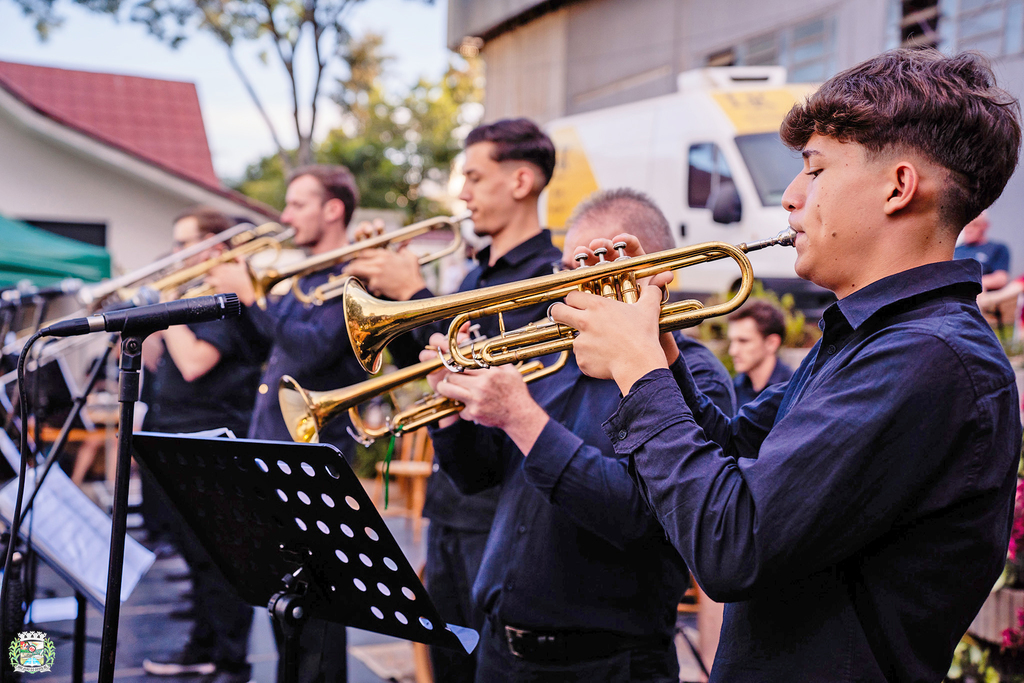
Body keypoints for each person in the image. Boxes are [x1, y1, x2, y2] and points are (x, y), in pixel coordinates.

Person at [551, 49, 1022, 681]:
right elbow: (735, 453)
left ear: (898, 186)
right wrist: (660, 350)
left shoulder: (927, 355)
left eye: (815, 169)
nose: (791, 197)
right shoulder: (866, 335)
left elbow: (732, 545)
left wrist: (637, 369)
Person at [419, 188, 732, 682]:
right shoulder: (553, 360)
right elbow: (479, 477)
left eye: (586, 273)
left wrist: (521, 416)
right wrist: (452, 411)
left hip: (607, 664)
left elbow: (638, 515)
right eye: (566, 271)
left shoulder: (692, 373)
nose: (566, 289)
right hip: (501, 653)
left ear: (643, 271)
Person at [346, 118, 563, 682]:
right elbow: (426, 368)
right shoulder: (471, 273)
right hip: (449, 505)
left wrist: (416, 295)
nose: (462, 193)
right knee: (448, 666)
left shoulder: (549, 275)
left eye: (473, 176)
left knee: (487, 668)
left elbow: (486, 360)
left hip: (497, 511)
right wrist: (381, 301)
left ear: (520, 181)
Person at [207, 165, 366, 683]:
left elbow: (312, 348)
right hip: (273, 454)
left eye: (298, 203)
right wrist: (236, 299)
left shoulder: (355, 278)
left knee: (317, 620)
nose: (285, 215)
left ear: (333, 209)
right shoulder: (305, 277)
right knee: (287, 613)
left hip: (313, 464)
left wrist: (253, 297)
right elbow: (269, 347)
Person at [140, 207, 269, 683]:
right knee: (194, 552)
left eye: (183, 245)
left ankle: (229, 656)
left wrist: (168, 306)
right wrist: (142, 324)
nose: (175, 255)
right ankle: (205, 643)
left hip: (212, 439)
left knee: (218, 556)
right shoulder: (194, 297)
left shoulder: (221, 300)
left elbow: (195, 361)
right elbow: (163, 364)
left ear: (213, 247)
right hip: (176, 430)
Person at [726, 300, 793, 407]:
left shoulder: (793, 391)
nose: (733, 351)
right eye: (732, 341)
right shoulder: (733, 389)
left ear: (772, 343)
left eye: (743, 341)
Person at [955, 210, 1009, 291]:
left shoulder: (997, 248)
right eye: (966, 225)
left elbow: (1001, 278)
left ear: (985, 226)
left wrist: (972, 282)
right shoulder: (956, 250)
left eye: (975, 225)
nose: (969, 229)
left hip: (978, 294)